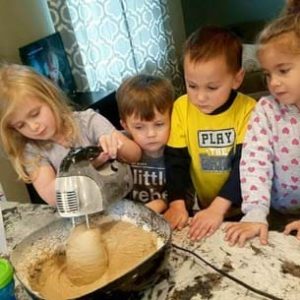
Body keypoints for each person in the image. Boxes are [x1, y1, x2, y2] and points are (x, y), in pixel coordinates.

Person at [0, 64, 141, 206]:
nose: (33, 127)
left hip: (122, 203)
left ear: (50, 97)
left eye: (35, 114)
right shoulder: (32, 150)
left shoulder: (88, 121)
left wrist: (115, 142)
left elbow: (135, 155)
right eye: (20, 125)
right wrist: (85, 167)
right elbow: (52, 198)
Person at [163, 26, 257, 240]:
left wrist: (218, 208)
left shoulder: (249, 109)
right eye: (192, 85)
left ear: (237, 78)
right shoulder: (181, 107)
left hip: (246, 208)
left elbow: (246, 165)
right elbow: (175, 161)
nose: (200, 97)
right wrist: (177, 204)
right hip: (204, 205)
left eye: (212, 88)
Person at [224, 1, 300, 247]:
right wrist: (255, 213)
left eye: (283, 70)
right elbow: (255, 163)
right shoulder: (267, 110)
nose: (273, 83)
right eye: (268, 74)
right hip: (272, 213)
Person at [116, 74, 174, 213]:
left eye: (159, 124)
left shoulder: (178, 147)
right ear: (125, 125)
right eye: (139, 127)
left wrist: (162, 203)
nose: (151, 134)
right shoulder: (122, 147)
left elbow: (188, 193)